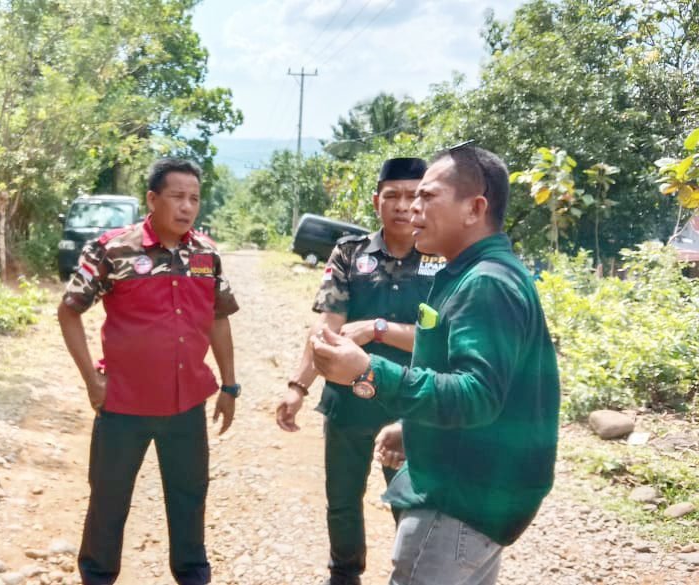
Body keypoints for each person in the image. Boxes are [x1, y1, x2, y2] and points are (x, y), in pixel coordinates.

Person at [311, 143, 560, 585]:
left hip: (459, 501)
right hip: (480, 493)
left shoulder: (486, 283)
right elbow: (493, 391)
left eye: (427, 196)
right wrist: (413, 428)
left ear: (474, 208)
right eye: (405, 197)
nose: (412, 208)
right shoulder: (481, 273)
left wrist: (368, 371)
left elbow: (477, 394)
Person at [57, 158, 240, 585]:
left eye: (194, 198)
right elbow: (69, 312)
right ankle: (98, 577)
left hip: (186, 403)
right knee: (109, 502)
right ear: (152, 199)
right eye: (177, 196)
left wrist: (229, 384)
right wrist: (92, 380)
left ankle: (193, 576)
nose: (186, 207)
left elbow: (218, 318)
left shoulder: (205, 255)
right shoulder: (113, 248)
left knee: (189, 499)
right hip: (123, 405)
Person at [275, 158, 441, 585]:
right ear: (377, 201)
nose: (403, 206)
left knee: (411, 501)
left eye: (412, 195)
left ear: (426, 199)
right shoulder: (351, 252)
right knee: (342, 501)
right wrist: (298, 386)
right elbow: (329, 327)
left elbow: (444, 338)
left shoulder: (443, 258)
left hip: (410, 401)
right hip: (347, 400)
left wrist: (378, 330)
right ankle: (344, 574)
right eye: (393, 196)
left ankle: (414, 574)